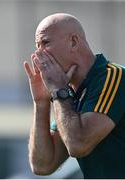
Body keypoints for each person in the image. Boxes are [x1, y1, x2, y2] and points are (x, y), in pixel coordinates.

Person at [23, 13, 125, 179]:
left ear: (73, 42)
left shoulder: (114, 76)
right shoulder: (70, 94)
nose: (38, 54)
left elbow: (78, 144)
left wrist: (58, 91)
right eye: (37, 46)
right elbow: (42, 165)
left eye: (45, 43)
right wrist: (41, 103)